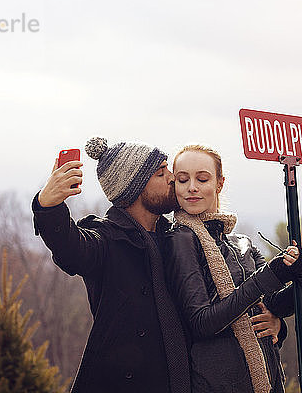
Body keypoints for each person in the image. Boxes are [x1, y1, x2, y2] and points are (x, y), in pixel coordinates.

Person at [31, 137, 190, 393]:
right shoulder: (106, 239)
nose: (173, 177)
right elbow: (72, 250)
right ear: (135, 187)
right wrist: (48, 206)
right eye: (161, 172)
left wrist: (275, 318)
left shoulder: (178, 238)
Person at [163, 144, 302, 393]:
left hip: (267, 381)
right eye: (183, 180)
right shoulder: (180, 239)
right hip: (216, 385)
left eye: (202, 179)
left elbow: (273, 304)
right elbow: (201, 323)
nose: (191, 187)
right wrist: (269, 276)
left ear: (219, 183)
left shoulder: (242, 244)